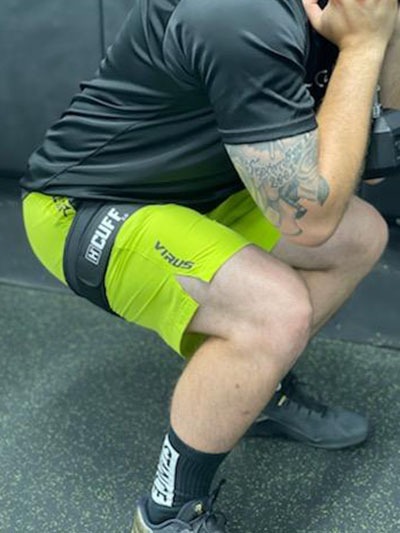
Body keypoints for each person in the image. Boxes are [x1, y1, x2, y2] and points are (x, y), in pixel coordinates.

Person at [21, 0, 400, 531]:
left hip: (209, 192)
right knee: (273, 311)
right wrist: (363, 47)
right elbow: (309, 219)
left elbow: (376, 163)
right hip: (89, 205)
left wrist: (385, 33)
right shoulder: (238, 15)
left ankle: (255, 391)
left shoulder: (357, 8)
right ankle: (168, 512)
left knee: (360, 236)